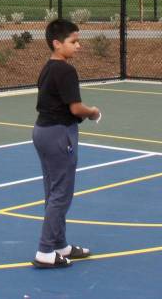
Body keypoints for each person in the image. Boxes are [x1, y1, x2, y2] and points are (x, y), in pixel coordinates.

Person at [30, 18, 101, 268]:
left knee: (53, 192)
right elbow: (76, 107)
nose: (78, 46)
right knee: (61, 195)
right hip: (58, 135)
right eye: (74, 41)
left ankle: (60, 244)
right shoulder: (66, 71)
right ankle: (45, 251)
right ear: (57, 43)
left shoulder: (47, 67)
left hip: (42, 132)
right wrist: (93, 112)